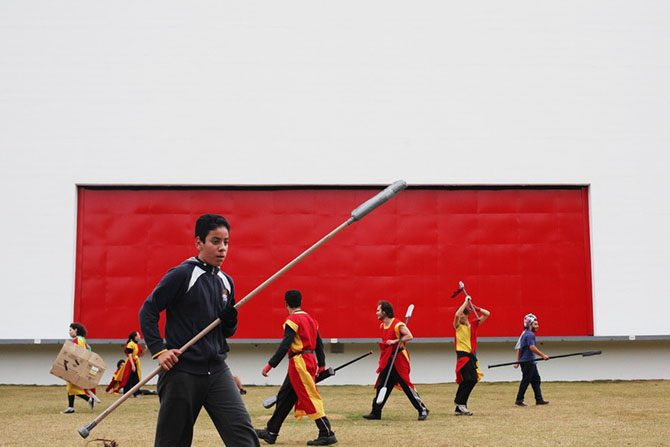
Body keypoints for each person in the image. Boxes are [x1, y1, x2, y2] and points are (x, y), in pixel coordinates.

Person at [139, 213, 259, 447]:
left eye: (226, 242)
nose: (222, 248)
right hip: (182, 373)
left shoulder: (226, 281)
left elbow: (226, 332)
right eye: (215, 241)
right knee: (172, 442)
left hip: (217, 371)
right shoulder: (183, 274)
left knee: (244, 437)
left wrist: (229, 320)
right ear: (198, 243)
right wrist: (159, 350)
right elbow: (148, 311)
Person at [255, 290, 337, 446]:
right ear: (300, 301)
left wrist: (270, 365)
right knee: (285, 397)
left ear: (286, 303)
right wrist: (321, 364)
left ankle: (327, 432)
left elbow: (285, 344)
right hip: (308, 360)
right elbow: (319, 343)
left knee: (309, 396)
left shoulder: (292, 320)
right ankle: (271, 431)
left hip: (299, 362)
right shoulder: (311, 319)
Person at [362, 300, 429, 421]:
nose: (376, 313)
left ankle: (422, 409)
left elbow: (409, 336)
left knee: (406, 386)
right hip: (388, 359)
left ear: (384, 312)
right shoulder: (382, 325)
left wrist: (394, 341)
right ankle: (376, 412)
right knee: (382, 385)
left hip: (399, 359)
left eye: (378, 310)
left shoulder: (398, 324)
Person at [453, 295, 490, 415]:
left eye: (464, 314)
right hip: (463, 356)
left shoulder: (473, 324)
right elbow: (457, 315)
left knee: (471, 380)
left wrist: (476, 307)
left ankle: (459, 406)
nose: (461, 316)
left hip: (471, 356)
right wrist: (465, 302)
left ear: (467, 315)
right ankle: (461, 404)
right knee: (469, 379)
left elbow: (487, 314)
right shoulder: (458, 327)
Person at [62, 322, 99, 413]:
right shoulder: (83, 340)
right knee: (71, 385)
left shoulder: (77, 340)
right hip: (79, 366)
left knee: (71, 387)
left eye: (70, 330)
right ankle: (71, 407)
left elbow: (77, 354)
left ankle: (89, 399)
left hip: (76, 366)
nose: (69, 332)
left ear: (76, 330)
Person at [514, 313, 550, 406]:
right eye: (535, 324)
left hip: (530, 361)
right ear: (530, 324)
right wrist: (543, 355)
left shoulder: (525, 334)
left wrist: (518, 361)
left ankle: (539, 399)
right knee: (526, 380)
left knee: (536, 380)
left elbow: (519, 348)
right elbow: (532, 347)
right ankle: (519, 400)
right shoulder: (530, 335)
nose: (537, 326)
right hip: (527, 362)